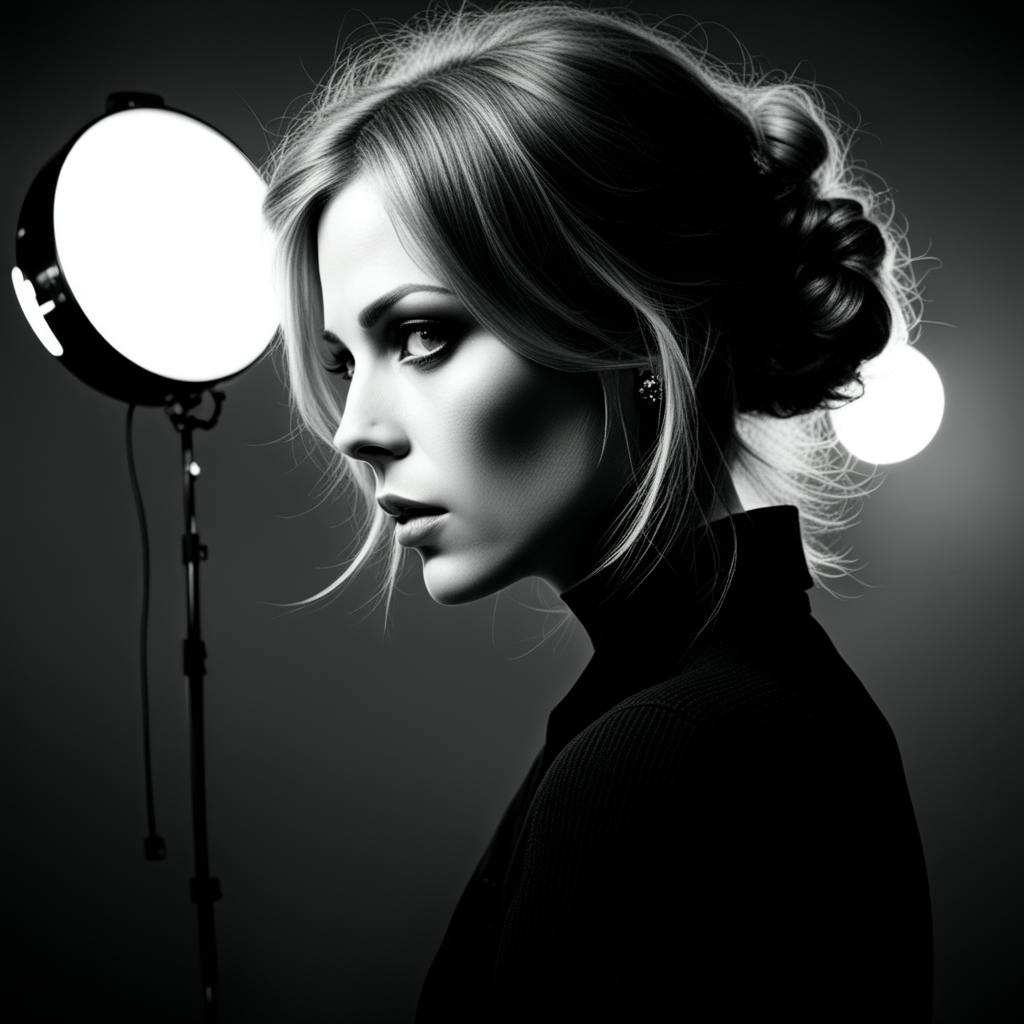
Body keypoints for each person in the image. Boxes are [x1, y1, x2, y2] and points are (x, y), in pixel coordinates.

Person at [261, 2, 933, 1019]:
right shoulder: (763, 708)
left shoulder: (663, 760)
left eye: (423, 336)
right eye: (343, 361)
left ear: (627, 322)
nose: (355, 427)